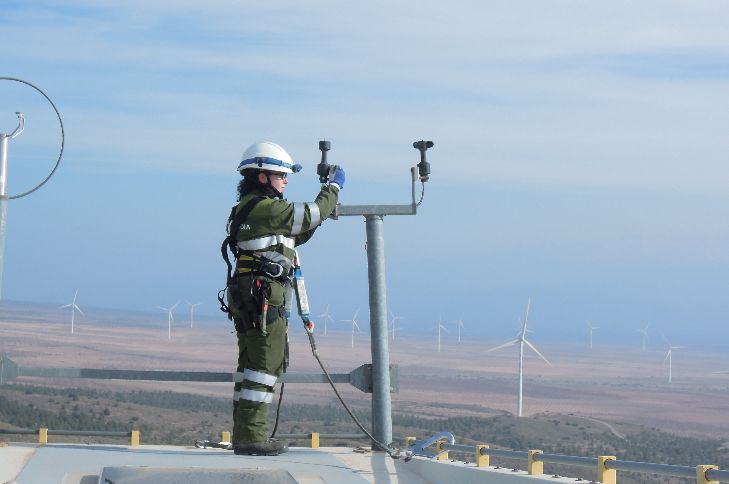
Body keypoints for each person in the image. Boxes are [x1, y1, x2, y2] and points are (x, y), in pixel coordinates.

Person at [225, 141, 344, 456]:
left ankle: (244, 434)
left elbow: (297, 231)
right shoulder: (267, 209)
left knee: (251, 367)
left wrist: (316, 218)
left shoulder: (250, 208)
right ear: (262, 176)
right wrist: (333, 187)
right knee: (264, 366)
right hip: (265, 297)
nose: (286, 180)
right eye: (281, 175)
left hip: (251, 294)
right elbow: (310, 214)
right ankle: (251, 438)